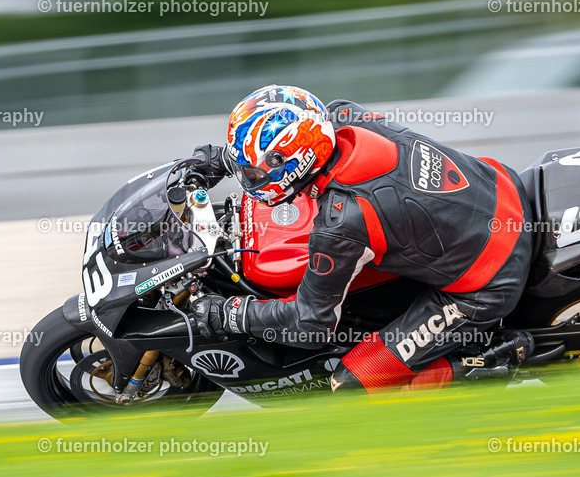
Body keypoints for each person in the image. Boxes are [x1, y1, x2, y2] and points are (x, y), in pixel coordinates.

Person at [189, 84, 535, 392]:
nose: (250, 179)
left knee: (351, 384)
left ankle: (489, 364)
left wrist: (230, 314)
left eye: (252, 172)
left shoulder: (343, 221)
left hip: (490, 277)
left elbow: (310, 324)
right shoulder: (342, 115)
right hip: (498, 184)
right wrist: (223, 159)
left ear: (294, 162)